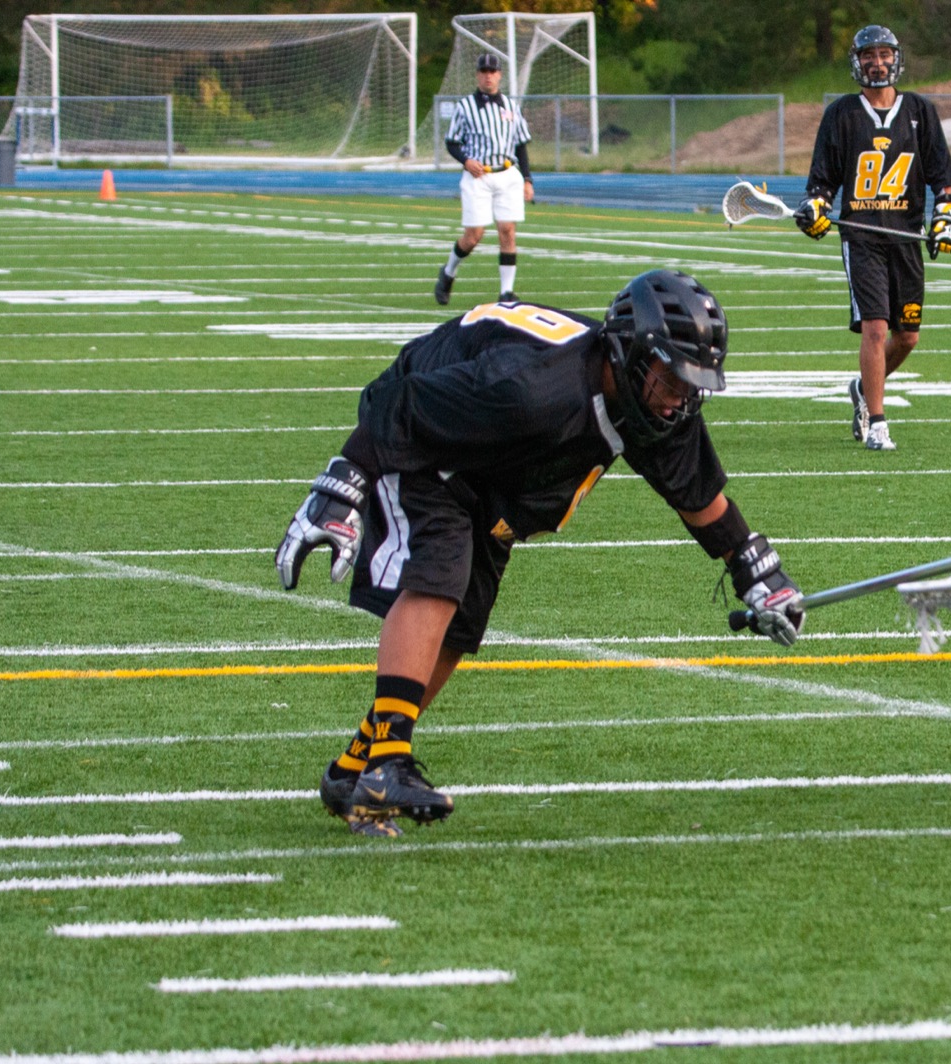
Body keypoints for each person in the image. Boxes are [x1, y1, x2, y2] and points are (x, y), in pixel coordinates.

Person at [275, 271, 805, 836]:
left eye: (691, 381)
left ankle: (354, 769)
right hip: (429, 436)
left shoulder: (647, 402)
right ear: (629, 354)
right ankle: (387, 765)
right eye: (671, 376)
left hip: (497, 473)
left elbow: (697, 495)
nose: (680, 396)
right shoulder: (535, 390)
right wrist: (343, 483)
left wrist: (755, 570)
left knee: (459, 627)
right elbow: (401, 404)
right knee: (441, 576)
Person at [795, 24, 951, 452]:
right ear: (857, 62)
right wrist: (816, 207)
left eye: (885, 54)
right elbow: (822, 181)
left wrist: (946, 215)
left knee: (907, 337)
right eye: (869, 55)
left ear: (896, 58)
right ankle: (878, 422)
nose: (878, 62)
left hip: (905, 234)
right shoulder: (842, 114)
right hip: (861, 235)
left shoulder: (919, 112)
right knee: (875, 327)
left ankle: (862, 388)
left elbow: (944, 179)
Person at [433, 52, 535, 307]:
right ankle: (448, 272)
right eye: (484, 72)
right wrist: (466, 161)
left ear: (499, 75)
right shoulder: (466, 106)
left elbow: (521, 144)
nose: (488, 76)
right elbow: (452, 142)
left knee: (508, 230)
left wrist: (527, 178)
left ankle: (506, 292)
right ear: (478, 75)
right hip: (478, 175)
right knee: (474, 235)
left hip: (507, 172)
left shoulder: (511, 106)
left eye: (493, 71)